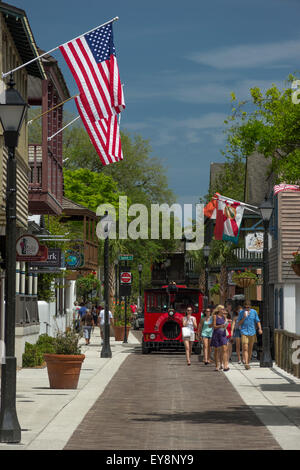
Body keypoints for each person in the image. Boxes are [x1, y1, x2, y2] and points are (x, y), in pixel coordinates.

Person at [237, 300, 263, 370]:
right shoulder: (241, 313)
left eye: (248, 307)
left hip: (252, 332)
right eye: (245, 307)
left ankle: (248, 361)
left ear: (250, 307)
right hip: (244, 332)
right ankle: (246, 363)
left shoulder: (254, 312)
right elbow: (238, 323)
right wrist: (244, 317)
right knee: (245, 348)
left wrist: (260, 328)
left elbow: (257, 321)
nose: (247, 308)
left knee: (250, 348)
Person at [210, 305, 229, 372]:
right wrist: (221, 325)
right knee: (216, 350)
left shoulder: (224, 317)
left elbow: (225, 325)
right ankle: (217, 365)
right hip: (216, 334)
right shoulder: (215, 316)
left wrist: (227, 323)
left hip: (223, 334)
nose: (223, 310)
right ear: (218, 310)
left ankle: (225, 365)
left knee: (224, 349)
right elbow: (214, 326)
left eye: (224, 309)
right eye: (222, 309)